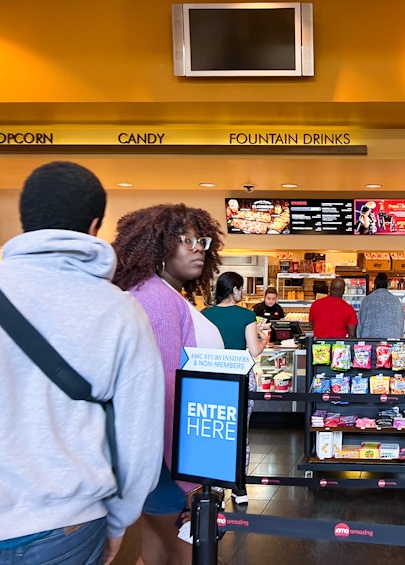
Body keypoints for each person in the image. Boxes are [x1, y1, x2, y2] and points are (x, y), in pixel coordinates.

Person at [0, 161, 164, 565]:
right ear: (95, 225)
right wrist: (119, 522)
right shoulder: (120, 311)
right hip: (71, 525)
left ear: (25, 220)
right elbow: (140, 435)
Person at [112, 203, 224, 565]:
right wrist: (191, 481)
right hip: (168, 459)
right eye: (185, 240)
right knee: (185, 551)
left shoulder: (147, 292)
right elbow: (167, 392)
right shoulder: (159, 300)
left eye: (201, 240)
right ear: (157, 246)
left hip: (149, 455)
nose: (197, 248)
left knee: (156, 545)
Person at [202, 272, 269, 507]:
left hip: (213, 378)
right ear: (236, 289)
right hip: (240, 377)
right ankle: (239, 489)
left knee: (217, 432)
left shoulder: (205, 315)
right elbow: (254, 350)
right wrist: (264, 340)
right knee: (241, 433)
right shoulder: (246, 315)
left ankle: (217, 490)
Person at [357, 272, 404, 338]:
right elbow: (401, 326)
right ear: (388, 285)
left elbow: (360, 325)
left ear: (375, 284)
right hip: (392, 343)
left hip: (370, 342)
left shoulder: (367, 300)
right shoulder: (396, 301)